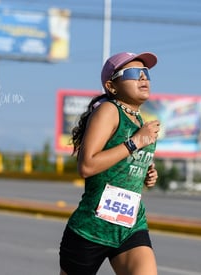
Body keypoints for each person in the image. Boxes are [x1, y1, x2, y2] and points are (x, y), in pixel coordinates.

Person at [59, 51, 161, 275]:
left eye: (145, 73)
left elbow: (121, 163)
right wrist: (135, 142)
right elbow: (86, 166)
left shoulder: (140, 120)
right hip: (91, 229)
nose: (143, 78)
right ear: (112, 86)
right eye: (134, 73)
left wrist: (146, 171)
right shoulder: (108, 111)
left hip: (130, 226)